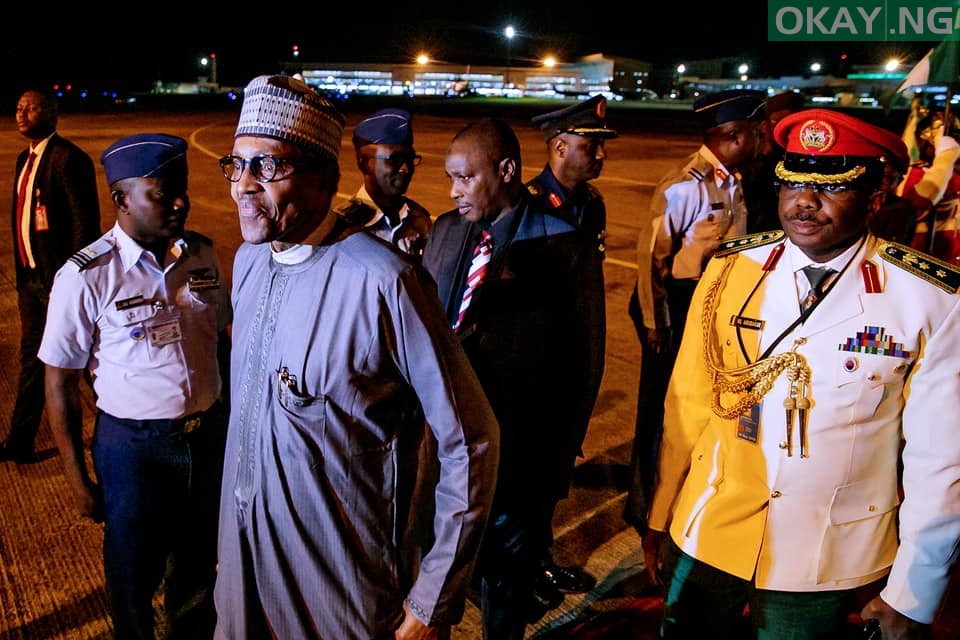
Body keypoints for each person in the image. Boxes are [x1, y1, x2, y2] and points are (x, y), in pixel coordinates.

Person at [641, 108, 960, 639]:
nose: (804, 201)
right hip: (708, 527)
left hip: (823, 553)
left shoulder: (928, 299)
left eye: (831, 186)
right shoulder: (731, 269)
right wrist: (660, 511)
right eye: (792, 183)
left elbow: (942, 461)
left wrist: (914, 592)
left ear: (874, 197)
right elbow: (688, 403)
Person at [213, 74, 498, 640]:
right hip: (244, 570)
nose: (244, 185)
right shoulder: (249, 262)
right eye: (237, 165)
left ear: (323, 177)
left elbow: (471, 439)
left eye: (267, 166)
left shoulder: (385, 282)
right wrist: (230, 543)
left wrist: (432, 596)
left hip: (339, 588)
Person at [38, 133, 231, 639]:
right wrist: (78, 480)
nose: (180, 202)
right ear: (121, 199)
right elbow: (59, 382)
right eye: (162, 194)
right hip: (134, 450)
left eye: (182, 190)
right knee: (133, 574)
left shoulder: (202, 255)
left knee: (197, 567)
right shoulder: (87, 276)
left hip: (204, 438)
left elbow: (221, 343)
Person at [422, 117, 599, 638]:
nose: (454, 191)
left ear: (505, 171)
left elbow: (584, 366)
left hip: (520, 452)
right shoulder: (446, 231)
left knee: (506, 583)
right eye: (451, 178)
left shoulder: (563, 244)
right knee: (440, 569)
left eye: (465, 178)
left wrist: (555, 463)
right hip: (446, 444)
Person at [625, 89, 766, 533]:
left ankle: (680, 493)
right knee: (662, 410)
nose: (761, 139)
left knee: (697, 404)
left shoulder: (732, 179)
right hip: (675, 304)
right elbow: (651, 257)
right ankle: (646, 508)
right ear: (733, 136)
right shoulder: (685, 185)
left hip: (710, 303)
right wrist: (656, 323)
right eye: (755, 132)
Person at [525, 95, 615, 596]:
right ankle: (520, 567)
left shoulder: (592, 204)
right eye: (590, 145)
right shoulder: (530, 204)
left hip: (572, 360)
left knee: (555, 469)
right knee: (528, 473)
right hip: (536, 365)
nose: (601, 155)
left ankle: (537, 558)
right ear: (559, 147)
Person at [1, 87, 101, 463]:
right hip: (31, 282)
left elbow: (84, 226)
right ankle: (20, 442)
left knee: (86, 362)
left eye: (31, 107)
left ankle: (120, 429)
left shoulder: (69, 159)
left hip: (61, 283)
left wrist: (73, 280)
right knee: (31, 360)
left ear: (52, 111)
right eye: (18, 107)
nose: (22, 113)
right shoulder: (23, 161)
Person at [342, 107, 433, 258]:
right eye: (395, 159)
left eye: (410, 159)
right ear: (364, 164)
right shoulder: (344, 225)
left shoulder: (419, 219)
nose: (405, 169)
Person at [896, 108, 960, 263]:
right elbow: (916, 206)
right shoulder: (914, 173)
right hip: (923, 252)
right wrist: (945, 158)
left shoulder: (956, 173)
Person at [742, 90, 805, 233]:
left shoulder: (803, 159)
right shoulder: (754, 162)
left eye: (791, 120)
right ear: (764, 125)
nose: (785, 126)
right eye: (777, 120)